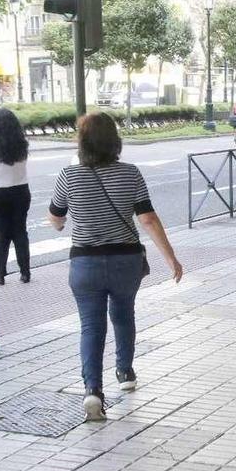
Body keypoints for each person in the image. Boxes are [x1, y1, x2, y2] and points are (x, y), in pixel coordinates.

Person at [48, 113, 183, 421]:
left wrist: (61, 222)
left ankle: (93, 391)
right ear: (114, 141)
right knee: (123, 314)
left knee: (91, 326)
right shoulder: (130, 174)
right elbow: (147, 218)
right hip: (126, 261)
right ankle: (125, 372)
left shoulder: (69, 176)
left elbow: (56, 219)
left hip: (85, 263)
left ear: (82, 142)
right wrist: (170, 257)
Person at [0, 108, 31, 285]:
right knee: (20, 231)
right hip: (20, 191)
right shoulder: (22, 143)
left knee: (1, 233)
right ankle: (25, 272)